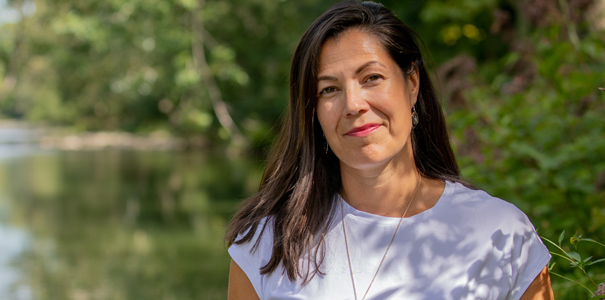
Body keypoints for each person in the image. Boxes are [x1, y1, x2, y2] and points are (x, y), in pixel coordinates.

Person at [224, 1, 553, 299]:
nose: (353, 104)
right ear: (313, 112)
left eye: (371, 78)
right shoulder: (266, 244)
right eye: (329, 89)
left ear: (412, 84)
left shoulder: (500, 232)